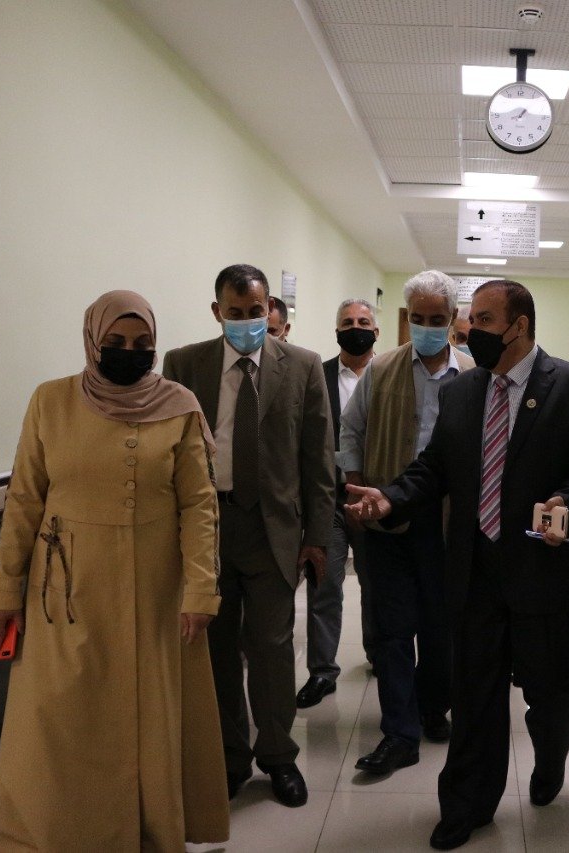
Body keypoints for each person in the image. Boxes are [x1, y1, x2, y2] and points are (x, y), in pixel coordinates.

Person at [345, 279, 569, 850]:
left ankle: (550, 758)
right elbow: (435, 467)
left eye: (485, 320)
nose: (471, 331)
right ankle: (467, 804)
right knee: (475, 695)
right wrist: (391, 498)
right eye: (470, 320)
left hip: (545, 573)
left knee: (551, 694)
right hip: (476, 568)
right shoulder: (463, 391)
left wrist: (568, 503)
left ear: (519, 326)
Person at [0, 290, 228, 850]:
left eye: (142, 343)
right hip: (65, 590)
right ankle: (58, 834)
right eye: (115, 342)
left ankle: (150, 831)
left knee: (150, 714)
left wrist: (200, 591)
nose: (128, 352)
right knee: (62, 717)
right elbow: (24, 499)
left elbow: (199, 505)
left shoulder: (180, 405)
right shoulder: (50, 401)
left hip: (157, 591)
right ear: (93, 341)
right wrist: (4, 591)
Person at [162, 264, 335, 808]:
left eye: (255, 311)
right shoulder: (184, 364)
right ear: (218, 312)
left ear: (270, 310)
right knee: (214, 651)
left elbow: (318, 458)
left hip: (273, 529)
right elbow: (170, 451)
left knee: (272, 649)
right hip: (206, 527)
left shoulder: (303, 365)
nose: (246, 321)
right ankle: (229, 757)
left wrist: (318, 536)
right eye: (234, 312)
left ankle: (278, 756)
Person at [339, 270, 473, 774]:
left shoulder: (473, 374)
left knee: (441, 627)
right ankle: (399, 733)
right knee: (392, 630)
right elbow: (351, 430)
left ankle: (432, 708)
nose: (427, 328)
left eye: (437, 319)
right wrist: (355, 481)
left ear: (452, 319)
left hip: (448, 523)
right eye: (418, 318)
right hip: (387, 516)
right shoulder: (382, 369)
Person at [297, 297, 379, 708]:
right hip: (328, 500)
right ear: (336, 330)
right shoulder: (318, 375)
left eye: (363, 322)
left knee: (376, 585)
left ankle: (379, 654)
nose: (355, 328)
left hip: (375, 501)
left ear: (376, 331)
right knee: (324, 585)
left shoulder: (389, 374)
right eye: (347, 322)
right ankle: (322, 672)